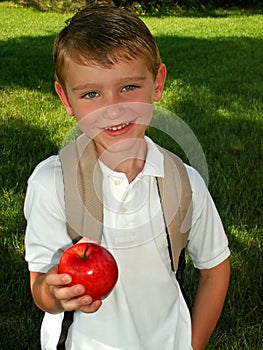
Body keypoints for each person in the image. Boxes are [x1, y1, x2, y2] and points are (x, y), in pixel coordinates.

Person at [24, 5, 230, 350]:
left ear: (158, 83)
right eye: (91, 94)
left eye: (129, 87)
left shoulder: (182, 182)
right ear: (66, 99)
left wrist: (192, 344)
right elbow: (39, 288)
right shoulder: (52, 183)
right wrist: (55, 293)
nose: (113, 108)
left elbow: (215, 268)